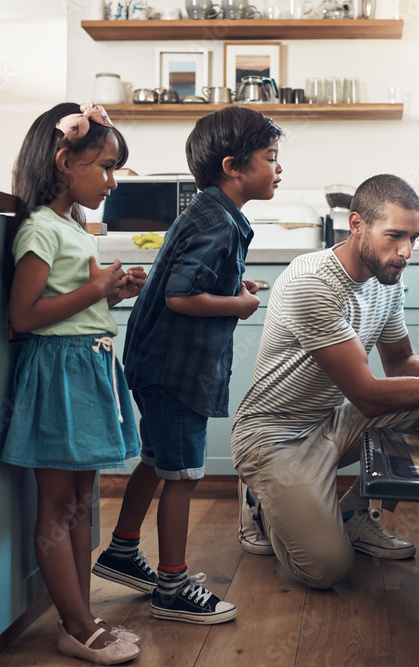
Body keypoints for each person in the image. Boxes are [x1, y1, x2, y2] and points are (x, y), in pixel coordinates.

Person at [230, 173, 419, 589]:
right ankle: (259, 500)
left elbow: (402, 363)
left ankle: (355, 516)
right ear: (357, 226)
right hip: (273, 437)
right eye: (395, 236)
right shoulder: (313, 282)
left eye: (414, 238)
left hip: (332, 421)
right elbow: (369, 396)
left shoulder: (386, 280)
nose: (406, 252)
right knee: (326, 569)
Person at [92, 106, 284, 624]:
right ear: (233, 166)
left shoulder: (212, 213)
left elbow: (191, 282)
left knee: (157, 461)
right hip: (175, 370)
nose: (278, 168)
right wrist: (240, 305)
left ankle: (123, 552)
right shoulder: (217, 222)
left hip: (158, 362)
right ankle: (172, 588)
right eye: (271, 158)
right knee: (184, 475)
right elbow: (181, 296)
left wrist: (231, 289)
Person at [2, 102, 147, 664]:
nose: (112, 182)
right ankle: (78, 622)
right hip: (59, 371)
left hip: (86, 365)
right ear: (65, 160)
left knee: (83, 502)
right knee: (59, 505)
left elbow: (72, 303)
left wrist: (112, 292)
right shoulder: (40, 227)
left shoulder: (73, 228)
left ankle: (80, 619)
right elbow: (24, 315)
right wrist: (94, 292)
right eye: (105, 168)